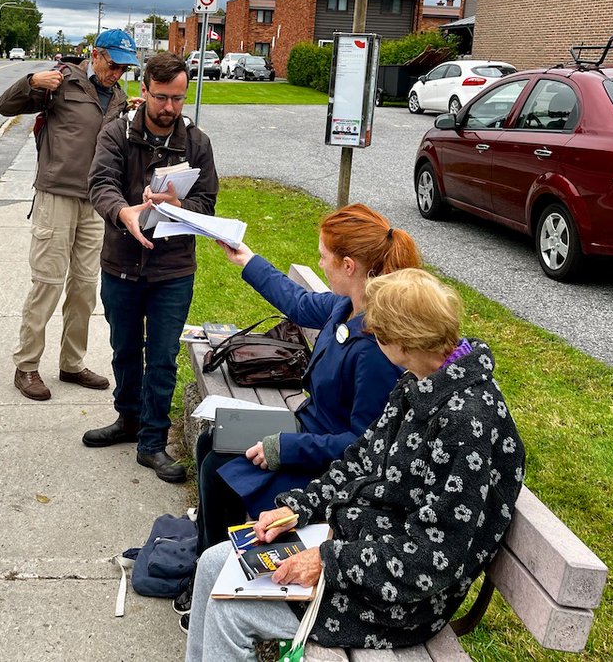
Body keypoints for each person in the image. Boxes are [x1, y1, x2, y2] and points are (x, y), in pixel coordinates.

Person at [184, 268, 526, 657]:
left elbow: (433, 559)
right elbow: (361, 457)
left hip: (397, 597)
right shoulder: (420, 379)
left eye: (376, 333)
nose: (371, 337)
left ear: (402, 342)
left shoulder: (466, 424)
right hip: (358, 542)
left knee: (231, 611)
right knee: (211, 564)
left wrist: (328, 561)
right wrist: (300, 507)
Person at [194, 205, 420, 552]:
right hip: (308, 430)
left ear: (349, 266)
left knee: (219, 467)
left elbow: (363, 444)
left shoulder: (377, 350)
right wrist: (247, 260)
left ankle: (218, 561)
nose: (320, 264)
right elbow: (299, 303)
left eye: (324, 257)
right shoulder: (346, 305)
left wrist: (287, 448)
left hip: (328, 464)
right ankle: (205, 555)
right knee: (211, 441)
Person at [83, 52, 219, 483]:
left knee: (161, 358)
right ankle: (128, 418)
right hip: (121, 263)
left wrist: (183, 205)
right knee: (124, 349)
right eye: (161, 97)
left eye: (178, 98)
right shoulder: (116, 134)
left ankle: (153, 442)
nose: (169, 107)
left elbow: (208, 203)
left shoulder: (197, 142)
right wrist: (122, 212)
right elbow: (100, 183)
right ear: (144, 91)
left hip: (172, 270)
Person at [0, 29, 136, 401]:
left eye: (124, 68)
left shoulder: (119, 98)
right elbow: (4, 106)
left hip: (96, 201)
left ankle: (72, 363)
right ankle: (26, 365)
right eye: (114, 64)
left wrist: (132, 116)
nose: (118, 73)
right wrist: (30, 83)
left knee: (85, 288)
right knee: (48, 283)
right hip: (56, 193)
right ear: (96, 55)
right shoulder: (61, 81)